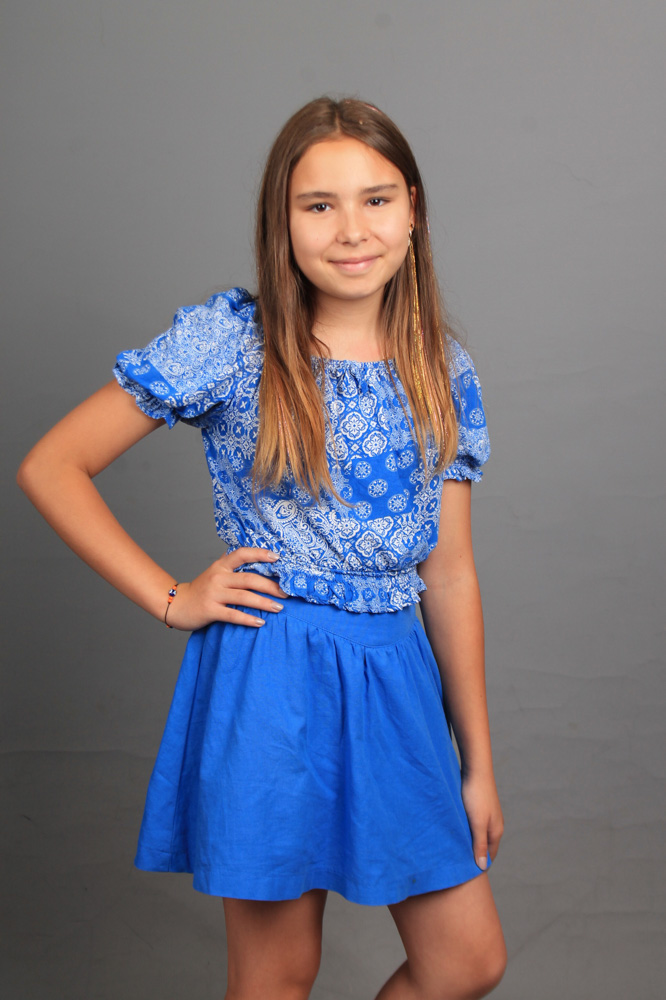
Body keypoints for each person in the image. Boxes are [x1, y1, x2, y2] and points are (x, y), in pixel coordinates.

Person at [17, 96, 507, 999]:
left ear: (413, 211)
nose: (351, 228)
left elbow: (449, 575)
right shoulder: (235, 342)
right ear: (282, 221)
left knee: (466, 962)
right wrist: (173, 598)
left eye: (376, 199)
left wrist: (476, 763)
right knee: (279, 974)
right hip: (273, 674)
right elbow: (53, 465)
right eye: (319, 204)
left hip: (397, 681)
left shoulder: (443, 367)